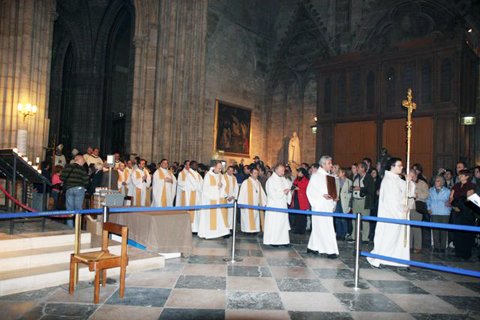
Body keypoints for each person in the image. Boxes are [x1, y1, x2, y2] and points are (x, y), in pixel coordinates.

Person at [368, 157, 412, 268]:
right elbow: (391, 200)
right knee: (388, 237)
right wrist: (401, 209)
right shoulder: (388, 181)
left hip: (399, 213)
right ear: (392, 167)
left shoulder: (396, 179)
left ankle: (396, 260)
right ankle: (382, 258)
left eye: (401, 165)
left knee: (397, 238)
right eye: (399, 165)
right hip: (391, 214)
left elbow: (409, 192)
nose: (402, 167)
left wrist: (408, 182)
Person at [306, 155, 339, 258]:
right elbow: (310, 191)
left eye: (331, 163)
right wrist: (322, 196)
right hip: (319, 206)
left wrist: (334, 198)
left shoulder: (330, 177)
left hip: (327, 206)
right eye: (329, 163)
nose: (331, 165)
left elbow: (332, 191)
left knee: (321, 227)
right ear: (323, 164)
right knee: (324, 228)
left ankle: (312, 247)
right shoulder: (316, 176)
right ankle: (330, 250)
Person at [198, 162, 230, 239]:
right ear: (214, 167)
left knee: (220, 218)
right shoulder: (208, 176)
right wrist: (216, 187)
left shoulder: (220, 175)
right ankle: (210, 233)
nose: (219, 170)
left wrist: (222, 187)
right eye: (218, 168)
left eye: (220, 168)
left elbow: (224, 185)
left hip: (219, 200)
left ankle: (220, 233)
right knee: (210, 218)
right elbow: (205, 189)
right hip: (210, 201)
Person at [450, 169, 476, 259]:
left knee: (466, 233)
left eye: (462, 175)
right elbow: (451, 198)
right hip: (456, 212)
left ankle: (466, 253)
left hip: (466, 213)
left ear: (467, 176)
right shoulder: (456, 186)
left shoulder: (471, 186)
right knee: (457, 233)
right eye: (459, 175)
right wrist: (453, 206)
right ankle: (458, 252)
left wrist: (461, 207)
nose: (459, 176)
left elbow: (470, 200)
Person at [263, 164, 292, 246]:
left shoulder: (283, 179)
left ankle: (283, 241)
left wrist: (287, 193)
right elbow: (271, 194)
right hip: (274, 205)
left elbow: (288, 190)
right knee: (275, 223)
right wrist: (283, 192)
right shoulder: (271, 180)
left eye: (283, 170)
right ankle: (274, 241)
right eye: (281, 170)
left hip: (282, 204)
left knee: (283, 223)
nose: (283, 172)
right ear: (276, 170)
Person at [61, 155, 89, 228]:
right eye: (83, 161)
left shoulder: (67, 167)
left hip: (69, 189)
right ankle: (77, 228)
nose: (83, 162)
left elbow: (62, 177)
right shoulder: (82, 169)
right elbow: (86, 180)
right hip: (79, 189)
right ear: (79, 160)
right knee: (78, 209)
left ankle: (70, 228)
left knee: (69, 210)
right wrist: (85, 187)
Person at [351, 162, 375, 243]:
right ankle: (354, 236)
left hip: (364, 201)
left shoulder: (369, 178)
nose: (357, 169)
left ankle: (365, 238)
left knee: (365, 220)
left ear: (363, 168)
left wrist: (360, 189)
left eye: (358, 167)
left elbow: (371, 190)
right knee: (354, 219)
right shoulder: (356, 177)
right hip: (355, 200)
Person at [176, 160, 203, 232]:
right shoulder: (189, 174)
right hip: (191, 195)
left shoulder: (197, 174)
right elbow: (195, 186)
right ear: (191, 166)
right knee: (192, 212)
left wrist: (200, 187)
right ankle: (192, 229)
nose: (196, 166)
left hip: (197, 196)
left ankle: (196, 228)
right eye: (195, 165)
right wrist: (199, 187)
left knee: (197, 213)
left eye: (197, 165)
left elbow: (201, 184)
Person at [426, 175, 451, 253]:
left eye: (438, 181)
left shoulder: (447, 191)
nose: (436, 182)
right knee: (435, 230)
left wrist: (449, 203)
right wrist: (428, 208)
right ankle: (436, 246)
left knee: (444, 231)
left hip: (444, 212)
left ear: (442, 182)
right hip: (434, 212)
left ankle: (443, 247)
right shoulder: (431, 190)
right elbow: (428, 200)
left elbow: (450, 201)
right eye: (436, 180)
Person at [238, 167, 267, 233]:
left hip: (256, 204)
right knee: (247, 218)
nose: (256, 175)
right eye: (254, 173)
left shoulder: (258, 183)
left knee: (255, 218)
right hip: (247, 203)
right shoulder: (246, 182)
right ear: (251, 173)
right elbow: (242, 193)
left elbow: (262, 193)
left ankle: (254, 230)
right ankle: (247, 231)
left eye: (257, 173)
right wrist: (241, 203)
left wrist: (264, 202)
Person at [290, 167, 310, 234]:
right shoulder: (297, 179)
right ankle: (297, 229)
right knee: (297, 214)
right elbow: (294, 185)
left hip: (302, 199)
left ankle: (302, 230)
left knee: (302, 215)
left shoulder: (306, 180)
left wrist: (298, 188)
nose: (298, 173)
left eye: (299, 172)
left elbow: (306, 189)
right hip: (296, 198)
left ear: (302, 173)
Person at [335, 167, 352, 240]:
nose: (338, 173)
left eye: (339, 172)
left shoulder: (349, 182)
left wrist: (349, 205)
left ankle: (344, 234)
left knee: (343, 219)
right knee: (337, 219)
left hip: (344, 202)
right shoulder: (336, 181)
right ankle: (338, 234)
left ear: (343, 173)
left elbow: (350, 194)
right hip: (337, 201)